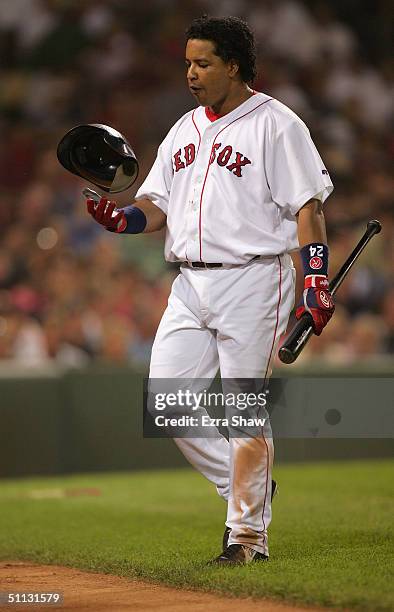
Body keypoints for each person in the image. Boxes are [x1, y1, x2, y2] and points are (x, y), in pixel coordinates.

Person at [86, 15, 335, 565]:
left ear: (234, 66)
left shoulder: (277, 124)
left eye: (203, 63)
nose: (192, 74)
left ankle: (247, 538)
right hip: (190, 281)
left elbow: (308, 207)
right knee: (168, 402)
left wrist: (315, 276)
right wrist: (122, 219)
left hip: (254, 276)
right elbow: (157, 205)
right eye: (187, 64)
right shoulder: (183, 128)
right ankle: (248, 481)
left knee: (244, 409)